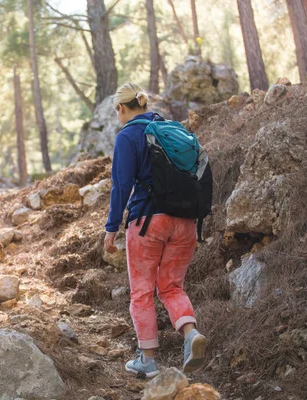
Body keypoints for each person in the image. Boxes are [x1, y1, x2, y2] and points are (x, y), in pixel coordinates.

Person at [103, 82, 207, 378]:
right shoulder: (171, 129)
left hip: (148, 222)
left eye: (117, 112)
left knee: (142, 292)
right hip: (185, 221)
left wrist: (111, 227)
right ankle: (190, 333)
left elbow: (122, 185)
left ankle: (147, 360)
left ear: (122, 108)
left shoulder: (128, 135)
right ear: (144, 104)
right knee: (172, 287)